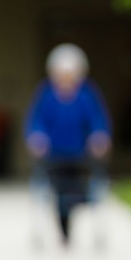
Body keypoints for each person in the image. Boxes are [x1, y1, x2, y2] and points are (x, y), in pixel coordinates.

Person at [24, 43, 111, 244]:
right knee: (56, 194)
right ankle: (63, 232)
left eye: (70, 72)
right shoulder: (46, 94)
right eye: (62, 72)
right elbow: (36, 120)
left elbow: (98, 119)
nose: (66, 76)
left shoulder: (86, 94)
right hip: (54, 156)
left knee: (79, 193)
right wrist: (37, 137)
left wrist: (99, 136)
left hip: (80, 155)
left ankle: (72, 221)